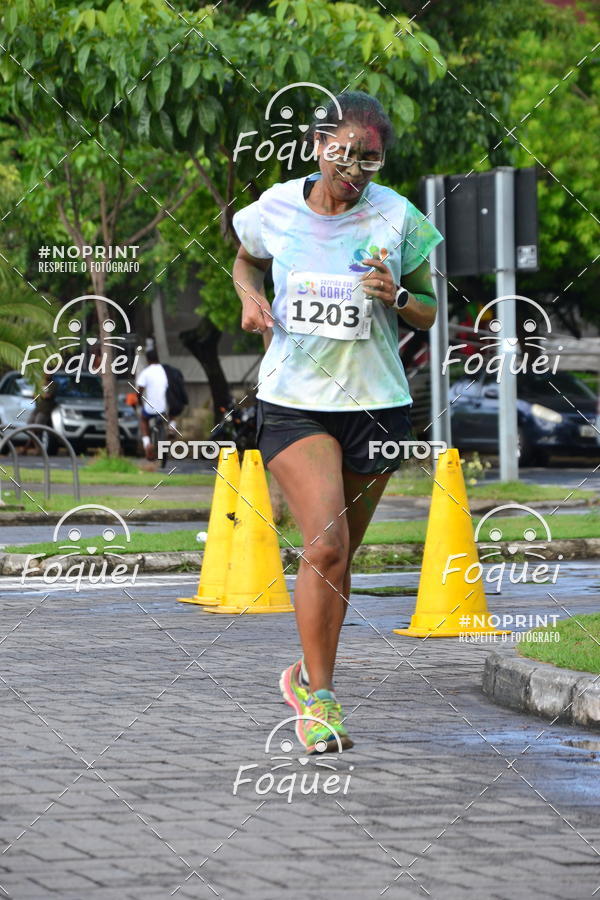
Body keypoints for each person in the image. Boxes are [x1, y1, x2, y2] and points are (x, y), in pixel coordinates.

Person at [232, 91, 443, 753]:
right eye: (345, 154)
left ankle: (306, 674)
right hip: (294, 401)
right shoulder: (276, 209)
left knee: (340, 554)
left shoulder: (398, 217)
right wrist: (250, 298)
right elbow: (245, 260)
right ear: (319, 146)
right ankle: (321, 700)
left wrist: (400, 296)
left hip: (376, 407)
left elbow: (431, 310)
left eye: (371, 160)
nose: (355, 171)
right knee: (323, 543)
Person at [136, 347, 168, 460]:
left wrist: (139, 400)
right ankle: (167, 431)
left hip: (150, 409)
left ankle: (147, 444)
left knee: (143, 420)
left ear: (148, 360)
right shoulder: (163, 371)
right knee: (164, 419)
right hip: (163, 408)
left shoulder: (146, 372)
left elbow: (139, 390)